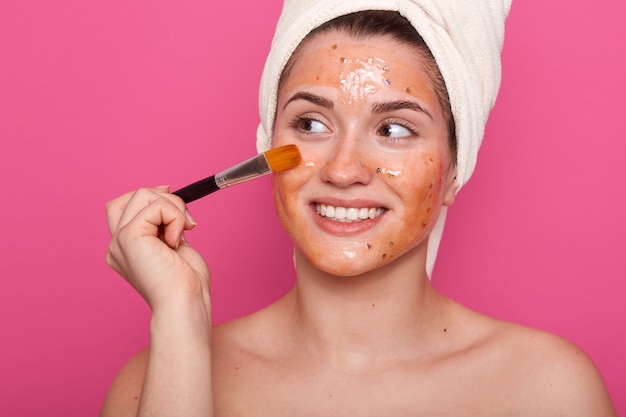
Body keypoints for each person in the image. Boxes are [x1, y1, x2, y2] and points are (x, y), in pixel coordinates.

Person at [101, 1, 617, 416]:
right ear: (268, 145)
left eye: (394, 130)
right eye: (310, 124)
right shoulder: (158, 377)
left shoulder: (549, 390)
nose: (343, 170)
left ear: (455, 171)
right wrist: (180, 316)